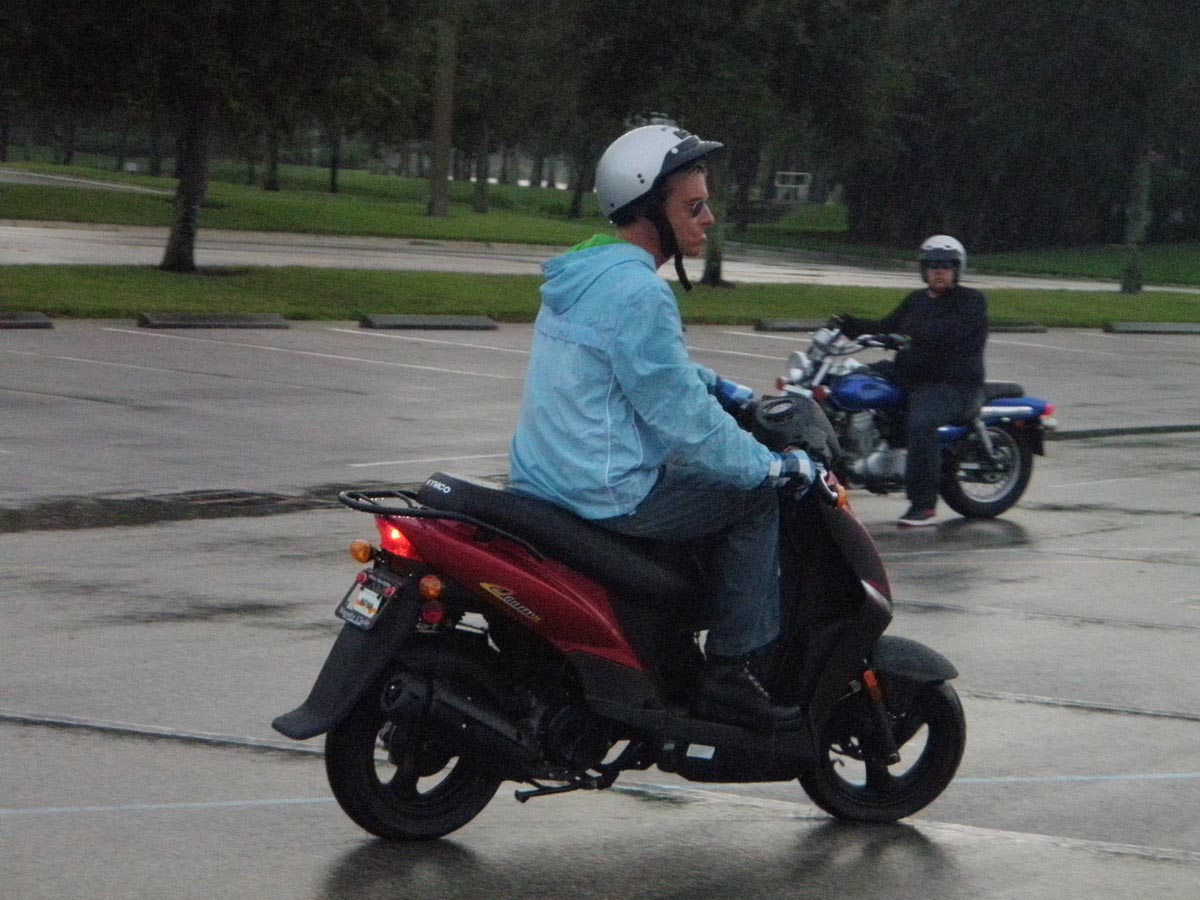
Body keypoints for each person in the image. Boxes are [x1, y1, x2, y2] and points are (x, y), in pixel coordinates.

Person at [508, 124, 814, 732]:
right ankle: (730, 671)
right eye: (693, 207)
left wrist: (719, 386)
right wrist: (774, 467)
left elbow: (640, 365)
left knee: (703, 475)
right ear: (651, 211)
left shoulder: (583, 273)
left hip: (544, 477)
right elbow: (685, 422)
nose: (708, 219)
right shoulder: (640, 293)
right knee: (753, 498)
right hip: (605, 490)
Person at [836, 235, 988, 528]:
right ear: (924, 270)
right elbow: (885, 326)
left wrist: (907, 338)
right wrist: (849, 326)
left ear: (958, 269)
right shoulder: (917, 301)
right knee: (850, 380)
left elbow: (949, 334)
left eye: (946, 265)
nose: (939, 271)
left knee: (921, 422)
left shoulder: (971, 302)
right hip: (910, 376)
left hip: (953, 385)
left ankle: (923, 505)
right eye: (933, 265)